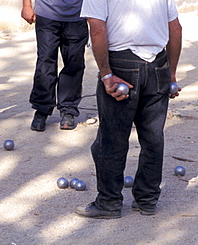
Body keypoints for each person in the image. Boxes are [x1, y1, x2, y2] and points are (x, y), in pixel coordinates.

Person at [75, 0, 182, 218]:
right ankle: (147, 200)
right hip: (158, 63)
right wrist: (170, 74)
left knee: (111, 139)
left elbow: (97, 29)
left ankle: (109, 202)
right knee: (153, 137)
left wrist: (106, 74)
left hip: (122, 64)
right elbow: (176, 28)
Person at [21, 0, 89, 131]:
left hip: (77, 16)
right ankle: (42, 110)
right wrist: (27, 6)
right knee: (45, 62)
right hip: (47, 15)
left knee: (74, 63)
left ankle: (68, 109)